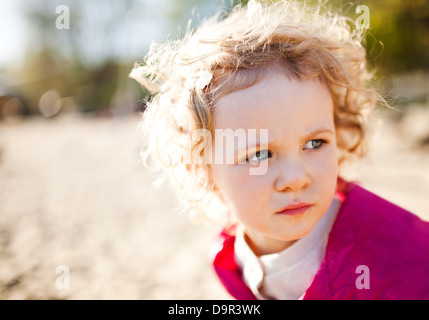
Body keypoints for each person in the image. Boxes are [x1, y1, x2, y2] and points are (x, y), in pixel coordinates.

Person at [129, 0, 429, 299]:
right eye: (259, 154)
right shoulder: (231, 257)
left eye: (315, 143)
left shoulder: (400, 254)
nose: (296, 178)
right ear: (202, 168)